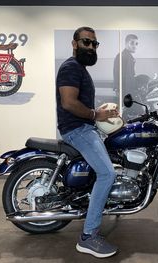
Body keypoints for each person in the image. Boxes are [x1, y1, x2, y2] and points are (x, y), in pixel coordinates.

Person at [56, 26, 119, 258]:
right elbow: (69, 103)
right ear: (75, 44)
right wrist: (95, 115)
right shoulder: (71, 67)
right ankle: (88, 236)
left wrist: (101, 111)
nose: (91, 47)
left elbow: (80, 100)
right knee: (107, 174)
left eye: (94, 44)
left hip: (84, 126)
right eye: (86, 42)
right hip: (77, 128)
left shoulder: (79, 69)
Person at [113, 34, 138, 98]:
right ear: (126, 43)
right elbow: (116, 73)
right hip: (125, 91)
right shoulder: (122, 56)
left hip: (129, 90)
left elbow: (132, 74)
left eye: (136, 44)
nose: (134, 46)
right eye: (132, 43)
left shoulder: (129, 56)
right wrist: (117, 89)